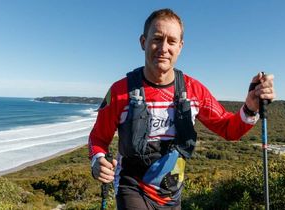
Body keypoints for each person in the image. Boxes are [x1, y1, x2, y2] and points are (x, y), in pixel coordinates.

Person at [88, 8, 275, 210]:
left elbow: (229, 129)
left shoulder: (194, 91)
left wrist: (250, 107)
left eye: (171, 41)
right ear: (143, 42)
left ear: (180, 46)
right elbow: (98, 138)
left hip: (170, 193)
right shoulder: (120, 91)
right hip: (131, 187)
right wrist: (97, 161)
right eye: (157, 39)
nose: (163, 48)